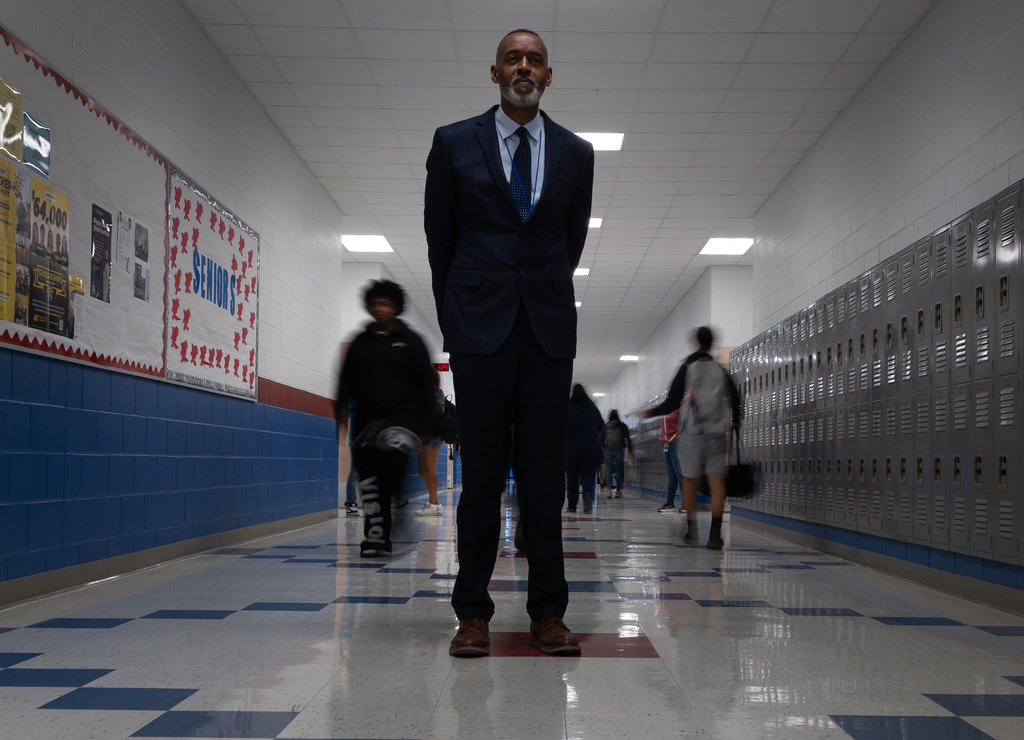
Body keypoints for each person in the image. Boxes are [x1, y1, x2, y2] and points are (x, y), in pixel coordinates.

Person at [425, 28, 594, 657]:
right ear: (494, 72)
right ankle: (472, 615)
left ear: (549, 76)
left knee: (545, 480)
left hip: (547, 332)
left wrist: (541, 291)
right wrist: (457, 316)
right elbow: (440, 239)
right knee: (483, 479)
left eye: (536, 59)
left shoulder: (576, 154)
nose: (524, 66)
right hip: (478, 329)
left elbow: (568, 244)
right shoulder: (452, 144)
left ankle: (548, 614)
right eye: (513, 58)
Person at [335, 280, 435, 557]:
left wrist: (425, 426)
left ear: (396, 308)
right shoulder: (360, 341)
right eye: (375, 304)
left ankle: (390, 520)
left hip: (401, 420)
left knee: (390, 474)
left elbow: (426, 386)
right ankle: (375, 539)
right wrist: (341, 411)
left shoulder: (412, 341)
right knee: (368, 480)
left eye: (385, 304)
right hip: (365, 419)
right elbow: (346, 380)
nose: (379, 309)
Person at [639, 326, 743, 549]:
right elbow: (735, 396)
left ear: (696, 342)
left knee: (689, 481)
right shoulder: (720, 370)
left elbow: (673, 402)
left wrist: (651, 412)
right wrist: (736, 419)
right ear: (712, 343)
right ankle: (715, 535)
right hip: (717, 435)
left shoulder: (687, 367)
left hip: (693, 435)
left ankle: (692, 531)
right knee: (717, 484)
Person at [565, 383, 603, 514]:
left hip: (571, 447)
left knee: (572, 478)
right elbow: (601, 425)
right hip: (591, 446)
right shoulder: (592, 407)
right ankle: (587, 495)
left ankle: (572, 506)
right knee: (588, 474)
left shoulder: (568, 407)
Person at [415, 368, 446, 517]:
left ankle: (432, 504)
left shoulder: (436, 392)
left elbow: (438, 411)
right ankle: (436, 503)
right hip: (423, 435)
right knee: (422, 470)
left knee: (429, 470)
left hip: (433, 436)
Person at [601, 410, 633, 498]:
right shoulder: (622, 425)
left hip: (608, 450)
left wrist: (602, 452)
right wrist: (630, 450)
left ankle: (608, 491)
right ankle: (618, 491)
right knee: (619, 471)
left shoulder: (606, 426)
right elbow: (628, 438)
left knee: (608, 470)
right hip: (619, 450)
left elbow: (601, 439)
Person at [657, 409, 683, 513]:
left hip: (676, 443)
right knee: (672, 475)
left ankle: (687, 504)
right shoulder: (668, 408)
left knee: (680, 475)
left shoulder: (680, 408)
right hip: (666, 444)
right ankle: (670, 503)